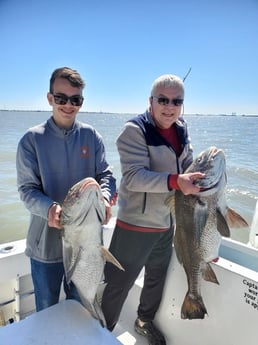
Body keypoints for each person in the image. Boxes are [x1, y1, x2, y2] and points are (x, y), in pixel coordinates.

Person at [101, 74, 204, 344]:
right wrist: (175, 181)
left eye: (176, 101)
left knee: (156, 279)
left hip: (168, 223)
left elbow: (188, 166)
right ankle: (101, 331)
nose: (169, 107)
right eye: (163, 100)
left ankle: (144, 320)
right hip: (135, 224)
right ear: (151, 101)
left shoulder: (182, 128)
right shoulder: (133, 130)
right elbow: (134, 177)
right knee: (117, 283)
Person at [16, 67, 116, 312]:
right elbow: (27, 190)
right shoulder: (31, 140)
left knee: (81, 307)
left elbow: (106, 174)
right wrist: (49, 208)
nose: (68, 105)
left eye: (75, 99)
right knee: (47, 310)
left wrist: (104, 197)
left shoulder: (91, 136)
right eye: (61, 98)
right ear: (49, 98)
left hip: (88, 243)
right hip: (46, 246)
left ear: (81, 102)